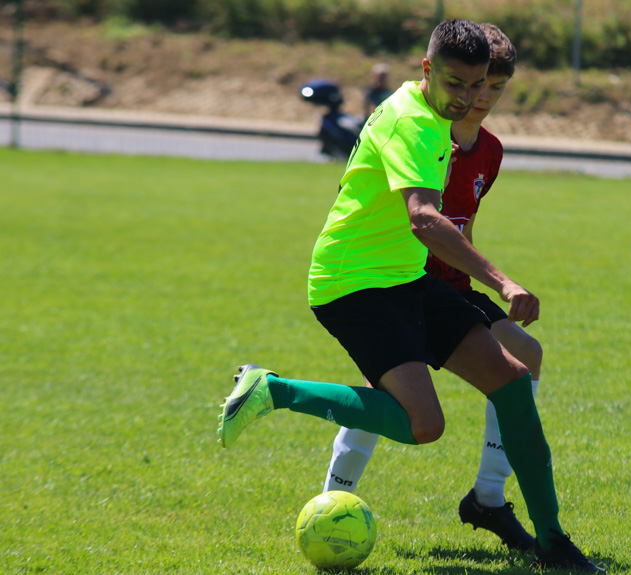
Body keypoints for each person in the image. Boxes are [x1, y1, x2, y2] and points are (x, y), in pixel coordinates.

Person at [217, 19, 602, 573]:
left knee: (515, 379)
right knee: (423, 425)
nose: (469, 99)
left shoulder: (429, 113)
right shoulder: (413, 124)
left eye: (479, 86)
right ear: (427, 70)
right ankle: (273, 389)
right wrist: (502, 281)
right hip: (352, 283)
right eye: (456, 84)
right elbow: (424, 218)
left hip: (407, 277)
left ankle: (552, 541)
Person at [322, 23, 545, 554]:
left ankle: (489, 496)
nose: (480, 98)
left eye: (493, 88)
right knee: (396, 403)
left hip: (446, 283)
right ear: (436, 75)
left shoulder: (488, 150)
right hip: (399, 279)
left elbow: (461, 224)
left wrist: (474, 279)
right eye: (473, 85)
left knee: (524, 359)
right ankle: (332, 501)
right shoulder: (424, 129)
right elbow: (421, 219)